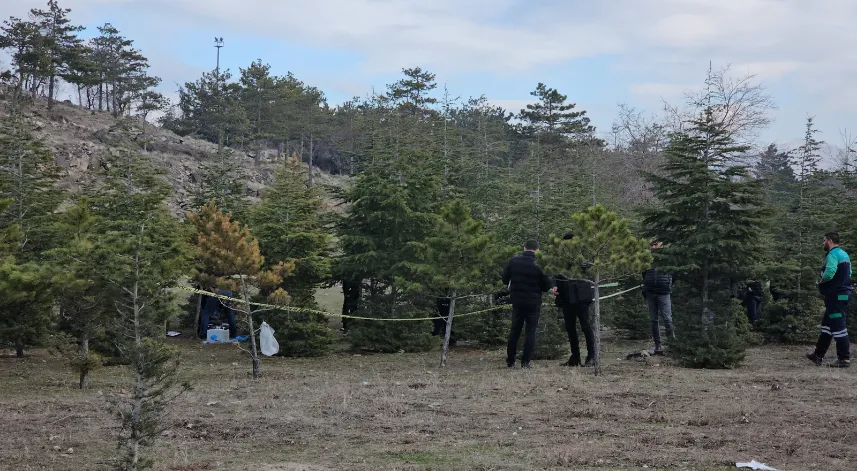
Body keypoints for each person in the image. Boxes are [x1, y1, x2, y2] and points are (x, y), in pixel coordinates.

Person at [502, 239, 552, 369]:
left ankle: (511, 361)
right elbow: (546, 285)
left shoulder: (514, 261)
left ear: (524, 248)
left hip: (517, 300)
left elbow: (504, 278)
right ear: (537, 250)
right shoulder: (540, 263)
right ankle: (525, 362)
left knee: (515, 330)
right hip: (533, 301)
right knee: (531, 331)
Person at [806, 232, 852, 368]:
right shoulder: (844, 254)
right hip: (843, 294)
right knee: (827, 325)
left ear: (830, 241)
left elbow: (830, 272)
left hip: (835, 295)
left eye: (824, 240)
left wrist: (821, 281)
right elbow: (849, 273)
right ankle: (818, 355)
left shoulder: (833, 254)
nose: (823, 243)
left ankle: (844, 359)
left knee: (839, 326)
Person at [552, 232, 595, 367]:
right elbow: (554, 274)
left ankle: (592, 356)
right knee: (570, 328)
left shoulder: (582, 255)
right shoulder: (559, 258)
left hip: (581, 297)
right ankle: (575, 357)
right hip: (566, 297)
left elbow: (588, 266)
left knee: (586, 327)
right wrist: (554, 286)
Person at [642, 241, 674, 355]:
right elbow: (643, 273)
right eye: (652, 245)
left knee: (667, 319)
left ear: (662, 245)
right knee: (653, 320)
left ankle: (672, 345)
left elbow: (674, 274)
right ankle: (657, 345)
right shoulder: (647, 259)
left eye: (656, 244)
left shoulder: (668, 258)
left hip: (664, 292)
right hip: (650, 292)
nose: (653, 247)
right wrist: (645, 287)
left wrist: (668, 285)